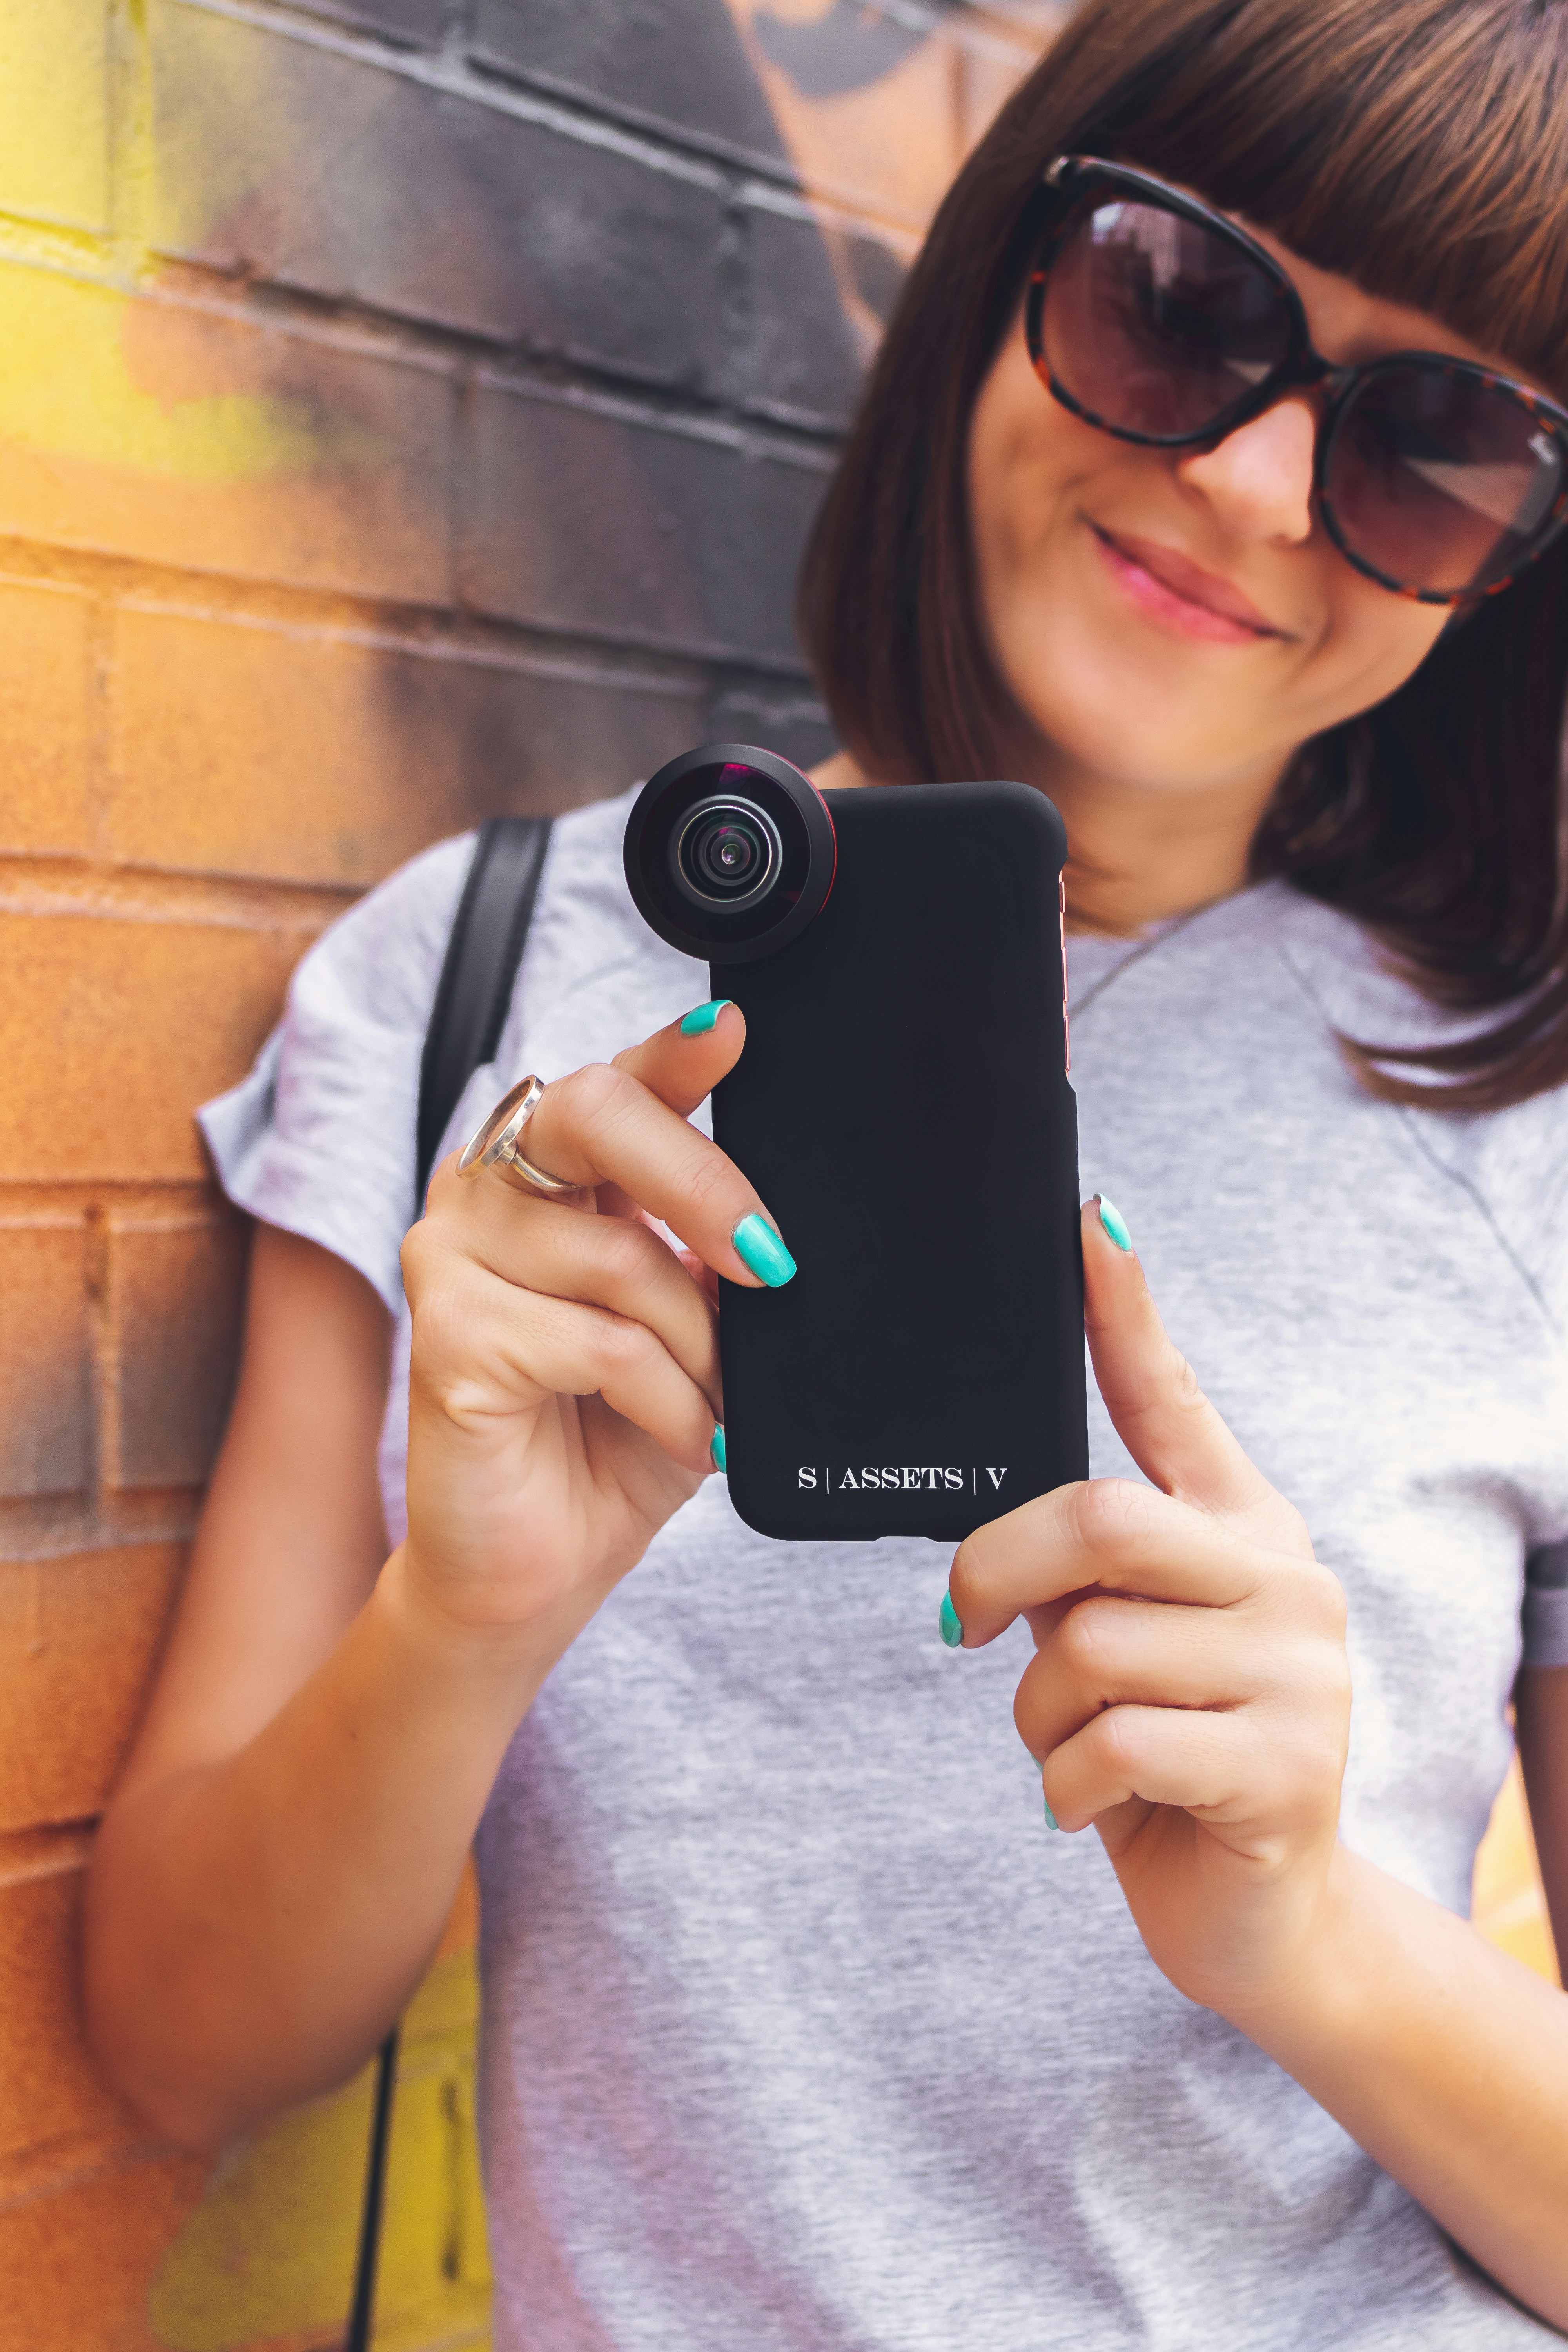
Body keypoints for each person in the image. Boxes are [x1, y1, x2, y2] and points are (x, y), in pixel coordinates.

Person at [86, 0, 1568, 2343]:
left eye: (1442, 449)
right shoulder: (465, 997)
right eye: (1178, 307)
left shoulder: (1530, 1131)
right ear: (1002, 273)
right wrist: (459, 1631)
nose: (1267, 491)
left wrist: (1308, 1934)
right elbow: (178, 2042)